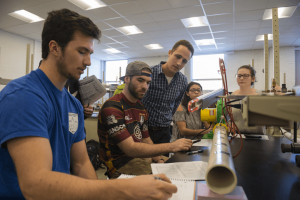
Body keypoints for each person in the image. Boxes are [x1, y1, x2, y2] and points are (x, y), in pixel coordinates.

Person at [0, 9, 177, 200]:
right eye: (81, 52)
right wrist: (123, 188)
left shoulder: (73, 105)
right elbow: (35, 184)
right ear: (54, 48)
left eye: (90, 53)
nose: (88, 61)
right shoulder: (25, 96)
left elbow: (81, 164)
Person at [98, 61, 193, 178]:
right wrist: (172, 146)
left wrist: (158, 159)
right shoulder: (112, 107)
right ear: (127, 79)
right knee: (167, 178)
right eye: (140, 80)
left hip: (140, 158)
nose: (145, 87)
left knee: (180, 168)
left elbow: (146, 140)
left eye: (148, 83)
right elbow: (130, 149)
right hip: (120, 163)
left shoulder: (141, 108)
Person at [141, 40, 194, 144]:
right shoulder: (149, 73)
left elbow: (175, 106)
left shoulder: (183, 81)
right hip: (143, 129)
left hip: (165, 132)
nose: (179, 63)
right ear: (170, 53)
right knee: (144, 160)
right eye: (177, 56)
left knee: (163, 159)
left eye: (184, 61)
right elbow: (137, 102)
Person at [231, 65, 265, 134]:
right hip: (237, 137)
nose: (241, 78)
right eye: (239, 76)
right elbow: (228, 117)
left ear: (253, 78)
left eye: (245, 76)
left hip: (258, 137)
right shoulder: (232, 96)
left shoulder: (260, 96)